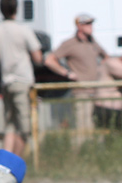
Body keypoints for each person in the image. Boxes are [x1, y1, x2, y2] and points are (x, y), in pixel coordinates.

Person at [0, 0, 43, 157]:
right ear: (17, 8)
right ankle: (13, 163)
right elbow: (38, 57)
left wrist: (0, 59)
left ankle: (3, 163)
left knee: (9, 125)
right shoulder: (24, 30)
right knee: (24, 127)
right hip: (23, 81)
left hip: (6, 82)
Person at [44, 13, 108, 141]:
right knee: (82, 128)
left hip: (97, 92)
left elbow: (106, 57)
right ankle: (78, 152)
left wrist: (101, 71)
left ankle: (90, 151)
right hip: (81, 92)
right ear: (79, 26)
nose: (91, 26)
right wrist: (66, 73)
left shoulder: (92, 42)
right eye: (87, 24)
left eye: (91, 23)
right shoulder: (70, 43)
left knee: (94, 127)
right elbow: (49, 60)